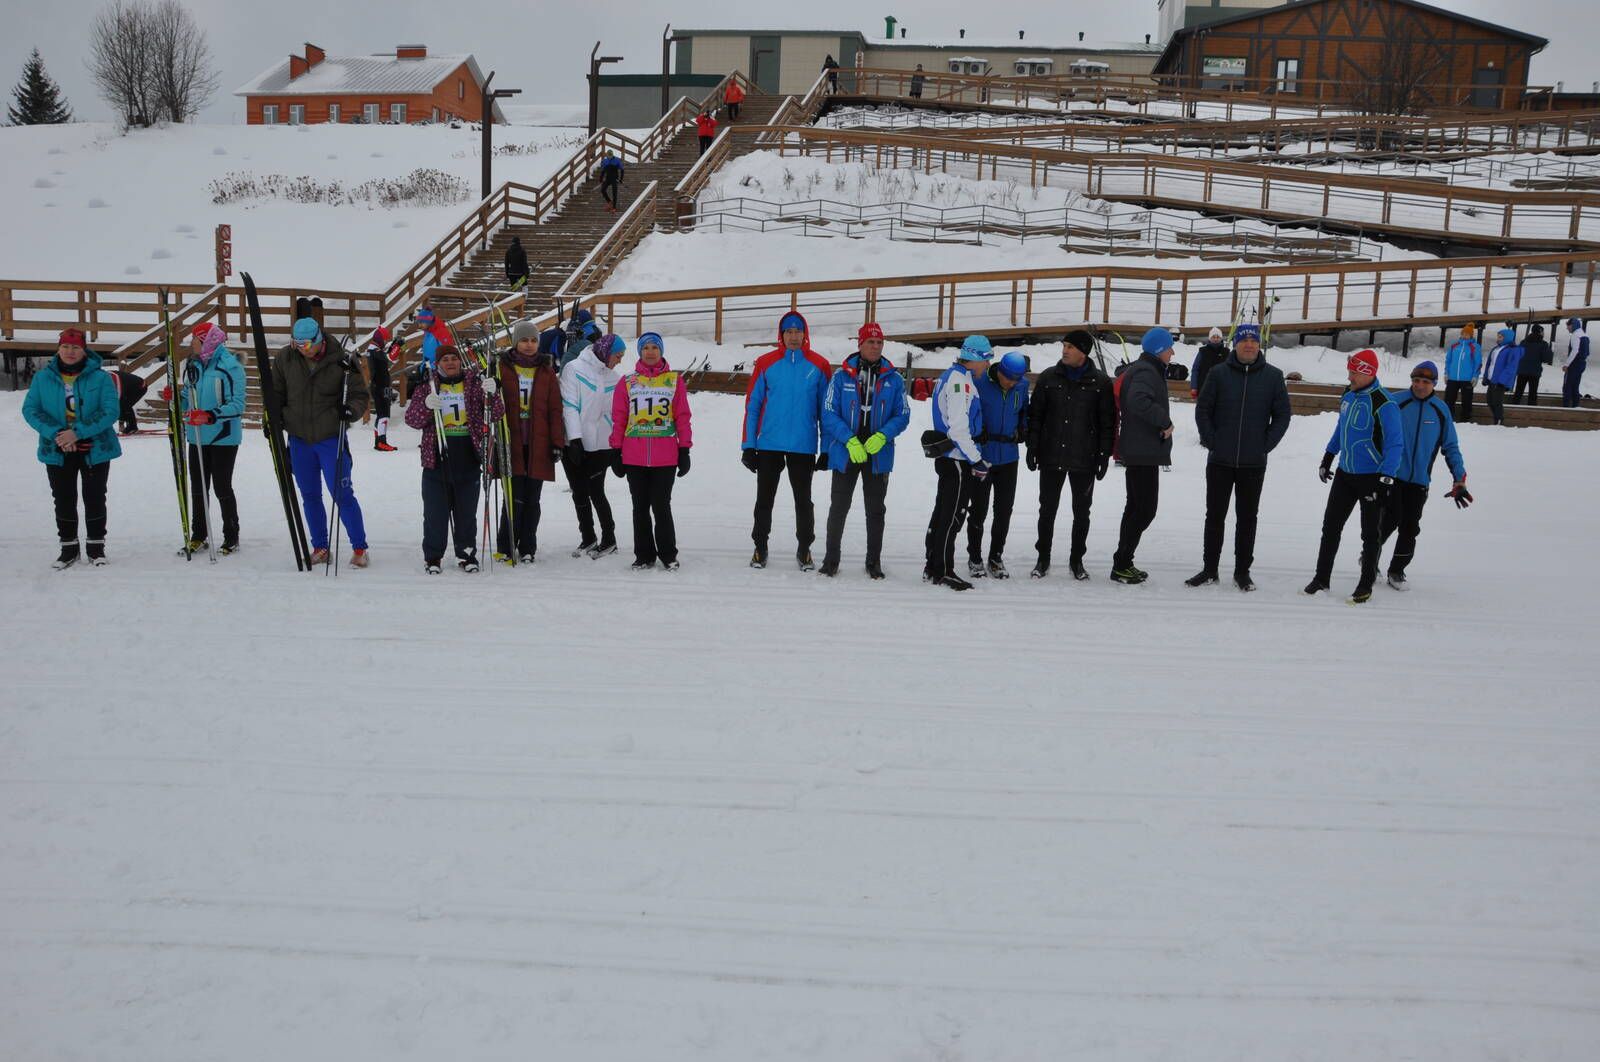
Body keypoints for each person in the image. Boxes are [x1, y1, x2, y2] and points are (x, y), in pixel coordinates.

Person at [1188, 321, 1291, 592]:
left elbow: (1282, 415)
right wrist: (1211, 440)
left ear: (1259, 345)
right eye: (1244, 340)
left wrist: (1264, 445)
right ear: (1236, 344)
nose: (1249, 345)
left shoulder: (1273, 376)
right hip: (1220, 460)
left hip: (1253, 462)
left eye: (1253, 341)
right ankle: (1210, 569)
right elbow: (1203, 409)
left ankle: (1242, 572)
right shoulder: (1219, 373)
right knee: (1215, 516)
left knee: (1247, 518)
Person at [272, 316, 370, 568]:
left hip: (329, 437)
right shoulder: (285, 358)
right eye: (296, 343)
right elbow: (275, 394)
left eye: (306, 344)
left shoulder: (343, 360)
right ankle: (320, 546)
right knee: (310, 495)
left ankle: (359, 548)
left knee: (342, 493)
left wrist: (351, 410)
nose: (301, 349)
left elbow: (360, 394)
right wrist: (271, 420)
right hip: (299, 438)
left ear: (318, 339)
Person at [1305, 349, 1403, 604]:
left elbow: (1395, 444)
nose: (1349, 377)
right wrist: (1328, 456)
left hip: (1371, 477)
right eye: (1349, 371)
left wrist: (1387, 478)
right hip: (1345, 474)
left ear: (1368, 373)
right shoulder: (1348, 395)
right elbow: (1341, 428)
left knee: (1370, 534)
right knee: (1330, 527)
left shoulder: (1384, 403)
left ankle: (1365, 584)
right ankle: (1321, 578)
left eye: (1354, 372)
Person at [22, 328, 122, 568]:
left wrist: (77, 432)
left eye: (75, 347)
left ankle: (96, 549)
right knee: (64, 498)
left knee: (95, 497)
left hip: (94, 448)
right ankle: (68, 549)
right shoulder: (43, 378)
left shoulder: (100, 378)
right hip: (57, 449)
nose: (70, 351)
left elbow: (110, 411)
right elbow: (30, 410)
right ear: (59, 348)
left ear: (84, 350)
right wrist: (58, 434)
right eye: (65, 347)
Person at [818, 322, 910, 579]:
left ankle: (874, 562)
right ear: (860, 344)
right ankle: (830, 561)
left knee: (876, 510)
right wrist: (849, 440)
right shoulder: (842, 375)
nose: (875, 346)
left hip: (877, 452)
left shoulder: (893, 378)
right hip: (848, 450)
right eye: (870, 342)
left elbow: (902, 414)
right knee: (839, 507)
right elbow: (828, 412)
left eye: (879, 342)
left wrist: (883, 435)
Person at [741, 311, 831, 570]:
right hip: (769, 443)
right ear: (781, 335)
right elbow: (753, 405)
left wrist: (825, 449)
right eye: (788, 332)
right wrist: (749, 445)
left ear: (805, 334)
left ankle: (804, 549)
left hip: (802, 446)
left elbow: (825, 412)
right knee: (764, 499)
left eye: (798, 331)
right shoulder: (766, 363)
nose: (793, 336)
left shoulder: (819, 365)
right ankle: (760, 546)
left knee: (804, 501)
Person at [404, 345, 503, 573]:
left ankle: (466, 555)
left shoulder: (473, 384)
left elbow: (496, 413)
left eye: (454, 359)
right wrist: (427, 406)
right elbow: (413, 419)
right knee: (435, 513)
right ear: (438, 363)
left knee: (466, 513)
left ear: (460, 362)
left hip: (467, 454)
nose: (450, 363)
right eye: (445, 359)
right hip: (436, 457)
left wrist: (493, 392)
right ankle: (433, 557)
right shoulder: (427, 386)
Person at [1025, 329, 1114, 581]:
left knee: (1082, 512)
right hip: (1051, 455)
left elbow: (1108, 423)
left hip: (1084, 459)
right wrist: (1033, 447)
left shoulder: (1100, 383)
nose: (1065, 350)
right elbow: (1036, 416)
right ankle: (1043, 558)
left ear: (1083, 352)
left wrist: (1103, 455)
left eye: (1071, 347)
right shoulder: (1048, 378)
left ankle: (1077, 560)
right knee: (1047, 510)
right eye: (1064, 345)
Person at [1380, 360, 1469, 591]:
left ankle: (1396, 571)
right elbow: (1375, 434)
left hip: (1419, 479)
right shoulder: (1396, 402)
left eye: (1425, 382)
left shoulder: (1440, 410)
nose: (1420, 385)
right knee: (1388, 519)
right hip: (1391, 475)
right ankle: (1369, 561)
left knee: (1410, 526)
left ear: (1434, 384)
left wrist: (1459, 478)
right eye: (1416, 380)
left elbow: (1450, 446)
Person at [610, 332, 692, 571]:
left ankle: (668, 554)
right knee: (640, 507)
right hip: (634, 456)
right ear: (639, 352)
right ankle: (644, 555)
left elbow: (682, 416)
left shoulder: (674, 381)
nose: (650, 351)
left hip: (665, 456)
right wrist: (616, 451)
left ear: (661, 351)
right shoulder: (627, 382)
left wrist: (684, 448)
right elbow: (619, 417)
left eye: (654, 347)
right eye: (645, 347)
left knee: (661, 505)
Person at [494, 319, 566, 563]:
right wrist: (489, 389)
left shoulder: (546, 370)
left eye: (533, 340)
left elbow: (555, 409)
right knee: (513, 496)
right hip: (510, 440)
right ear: (516, 342)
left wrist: (558, 442)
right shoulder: (502, 368)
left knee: (532, 499)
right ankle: (506, 544)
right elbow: (489, 405)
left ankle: (527, 546)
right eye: (524, 340)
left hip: (538, 443)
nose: (528, 345)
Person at [172, 322, 247, 555]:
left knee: (222, 486)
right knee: (198, 487)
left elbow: (237, 405)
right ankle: (198, 535)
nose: (191, 343)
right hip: (197, 437)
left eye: (194, 339)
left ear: (206, 341)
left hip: (223, 437)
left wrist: (209, 416)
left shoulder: (230, 366)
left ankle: (231, 535)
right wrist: (174, 398)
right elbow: (187, 397)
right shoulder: (194, 365)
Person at [924, 335, 992, 591]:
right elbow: (959, 429)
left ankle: (932, 565)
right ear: (977, 358)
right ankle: (943, 570)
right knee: (951, 517)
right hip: (956, 459)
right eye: (987, 361)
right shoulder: (959, 383)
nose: (987, 367)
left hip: (951, 457)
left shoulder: (954, 376)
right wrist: (976, 459)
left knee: (942, 512)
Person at [1110, 328, 1176, 584]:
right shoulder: (1147, 371)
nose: (1172, 352)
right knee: (1144, 510)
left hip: (1141, 449)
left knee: (1136, 508)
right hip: (1142, 451)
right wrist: (1164, 420)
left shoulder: (1145, 369)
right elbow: (1138, 400)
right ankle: (1122, 563)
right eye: (1169, 347)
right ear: (1159, 350)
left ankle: (1123, 562)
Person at [560, 330, 625, 558]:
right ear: (605, 351)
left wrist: (618, 447)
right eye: (618, 355)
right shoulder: (574, 369)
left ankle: (609, 538)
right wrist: (575, 438)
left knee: (596, 491)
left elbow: (617, 414)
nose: (620, 360)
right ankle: (587, 537)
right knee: (578, 491)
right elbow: (569, 405)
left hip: (601, 445)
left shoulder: (615, 378)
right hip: (574, 443)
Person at [966, 351, 1030, 579]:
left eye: (1015, 379)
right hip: (982, 455)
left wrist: (1024, 427)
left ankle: (996, 557)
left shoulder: (1022, 386)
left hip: (1009, 457)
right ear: (999, 370)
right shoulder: (980, 382)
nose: (1011, 382)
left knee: (1004, 511)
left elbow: (1024, 411)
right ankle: (974, 557)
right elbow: (968, 410)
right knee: (979, 509)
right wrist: (976, 429)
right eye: (1008, 377)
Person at [364, 326, 399, 452]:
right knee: (384, 415)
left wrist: (394, 344)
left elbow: (385, 356)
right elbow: (389, 358)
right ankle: (381, 442)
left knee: (382, 414)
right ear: (379, 339)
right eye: (384, 340)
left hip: (382, 385)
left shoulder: (373, 350)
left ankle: (378, 440)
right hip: (381, 386)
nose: (385, 342)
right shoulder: (375, 351)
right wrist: (397, 346)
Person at [1481, 326, 1522, 426]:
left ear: (1507, 338)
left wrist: (1502, 380)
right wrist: (1486, 377)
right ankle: (1497, 418)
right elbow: (1490, 364)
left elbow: (1511, 367)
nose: (1498, 338)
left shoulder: (1512, 350)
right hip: (1492, 379)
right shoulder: (1496, 349)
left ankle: (1499, 420)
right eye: (1498, 336)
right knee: (1490, 400)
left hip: (1500, 381)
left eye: (1500, 337)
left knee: (1496, 401)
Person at [1442, 323, 1481, 423]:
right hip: (1452, 378)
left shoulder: (1475, 347)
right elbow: (1448, 360)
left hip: (1467, 379)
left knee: (1466, 401)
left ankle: (1465, 420)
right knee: (1449, 399)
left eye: (1467, 334)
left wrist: (1475, 376)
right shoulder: (1454, 345)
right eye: (1463, 333)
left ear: (1471, 335)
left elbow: (1478, 363)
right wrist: (1446, 373)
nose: (1464, 335)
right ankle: (1448, 419)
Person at [1514, 323, 1553, 406]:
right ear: (1540, 332)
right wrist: (1550, 352)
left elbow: (1518, 355)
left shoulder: (1524, 342)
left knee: (1518, 391)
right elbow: (1546, 359)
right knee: (1533, 393)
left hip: (1522, 370)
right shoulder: (1543, 344)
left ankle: (1513, 407)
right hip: (1534, 371)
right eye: (1542, 331)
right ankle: (1531, 411)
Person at [1189, 326, 1229, 400]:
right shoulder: (1202, 351)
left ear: (1221, 338)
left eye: (1218, 337)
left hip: (1222, 389)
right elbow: (1195, 369)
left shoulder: (1226, 352)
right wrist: (1194, 387)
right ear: (1210, 338)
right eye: (1213, 337)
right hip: (1204, 387)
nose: (1216, 339)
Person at [1562, 318, 1590, 408]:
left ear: (1573, 325)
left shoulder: (1575, 335)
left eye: (1568, 326)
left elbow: (1575, 351)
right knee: (1575, 386)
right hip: (1581, 364)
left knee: (1567, 386)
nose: (1567, 328)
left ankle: (1566, 408)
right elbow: (1587, 353)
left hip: (1574, 364)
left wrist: (1567, 364)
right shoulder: (1585, 335)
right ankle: (1576, 407)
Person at [113, 365, 148, 435]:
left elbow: (119, 398)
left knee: (125, 405)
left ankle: (132, 427)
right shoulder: (106, 378)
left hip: (140, 386)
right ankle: (129, 426)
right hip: (128, 388)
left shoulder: (112, 379)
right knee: (122, 404)